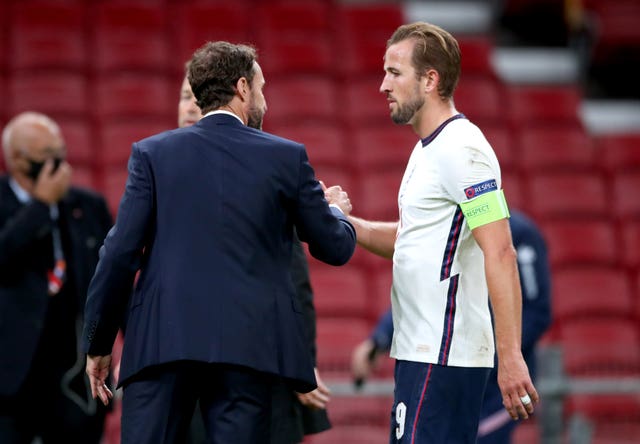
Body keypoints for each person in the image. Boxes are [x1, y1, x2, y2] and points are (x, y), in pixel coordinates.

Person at [81, 41, 356, 444]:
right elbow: (335, 247)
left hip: (161, 347)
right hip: (246, 354)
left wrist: (99, 342)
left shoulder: (151, 154)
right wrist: (336, 213)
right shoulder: (286, 157)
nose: (264, 98)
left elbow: (119, 253)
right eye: (261, 88)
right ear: (243, 88)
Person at [325, 22, 539, 443]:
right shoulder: (428, 149)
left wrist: (510, 356)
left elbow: (501, 252)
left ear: (430, 80)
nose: (383, 85)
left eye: (395, 73)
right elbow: (417, 240)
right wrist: (347, 223)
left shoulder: (463, 149)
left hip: (442, 358)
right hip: (422, 356)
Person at [177, 71, 332, 443]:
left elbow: (294, 282)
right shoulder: (158, 170)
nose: (190, 107)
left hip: (259, 366)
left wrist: (300, 361)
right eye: (184, 96)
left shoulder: (263, 170)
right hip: (185, 366)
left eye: (198, 98)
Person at [351, 210, 552, 443]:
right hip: (451, 373)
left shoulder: (520, 234)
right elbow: (426, 295)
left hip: (494, 387)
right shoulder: (449, 229)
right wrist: (379, 339)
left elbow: (537, 312)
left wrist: (496, 352)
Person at [0, 112, 113, 443]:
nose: (59, 164)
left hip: (73, 373)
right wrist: (39, 206)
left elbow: (110, 280)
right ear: (18, 161)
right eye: (47, 156)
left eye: (60, 152)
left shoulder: (87, 206)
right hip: (12, 375)